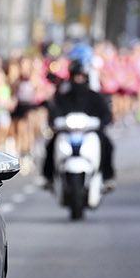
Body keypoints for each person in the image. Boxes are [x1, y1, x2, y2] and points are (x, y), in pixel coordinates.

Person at [42, 61, 115, 189]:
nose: (79, 80)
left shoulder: (95, 97)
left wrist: (101, 122)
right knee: (50, 145)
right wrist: (55, 121)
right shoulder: (63, 97)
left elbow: (106, 115)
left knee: (107, 144)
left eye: (81, 77)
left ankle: (107, 176)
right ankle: (49, 177)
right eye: (76, 76)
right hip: (68, 132)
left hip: (90, 132)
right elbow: (54, 113)